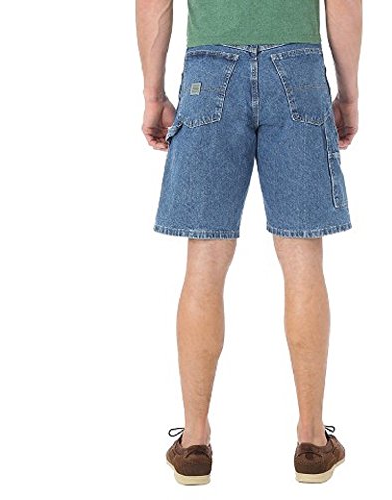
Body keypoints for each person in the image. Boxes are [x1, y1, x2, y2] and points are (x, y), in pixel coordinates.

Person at [136, 0, 362, 485]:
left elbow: (154, 2)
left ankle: (194, 442)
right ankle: (312, 440)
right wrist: (349, 94)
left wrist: (153, 94)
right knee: (303, 261)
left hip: (209, 69)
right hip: (298, 68)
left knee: (204, 264)